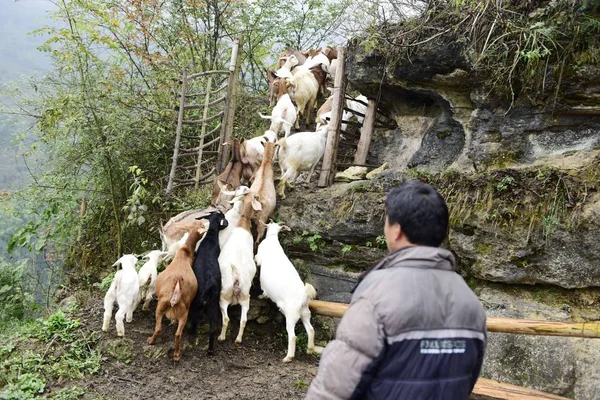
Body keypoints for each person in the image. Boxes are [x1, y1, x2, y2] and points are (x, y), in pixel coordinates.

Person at [305, 179, 487, 399]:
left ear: (396, 231)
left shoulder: (377, 296)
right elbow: (466, 379)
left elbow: (334, 387)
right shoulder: (470, 301)